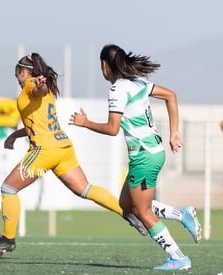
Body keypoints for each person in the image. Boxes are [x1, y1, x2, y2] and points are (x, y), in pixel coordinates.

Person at [0, 52, 147, 253]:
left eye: (17, 73)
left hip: (44, 151)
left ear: (23, 71)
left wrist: (39, 85)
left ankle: (8, 239)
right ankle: (127, 213)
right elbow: (38, 120)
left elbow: (37, 89)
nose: (17, 78)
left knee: (8, 189)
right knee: (85, 189)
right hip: (62, 149)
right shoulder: (47, 89)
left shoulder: (30, 84)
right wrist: (16, 135)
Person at [69, 44, 202, 270]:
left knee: (142, 211)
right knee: (126, 204)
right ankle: (182, 214)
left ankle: (178, 257)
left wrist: (86, 123)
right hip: (153, 152)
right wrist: (174, 132)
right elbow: (171, 96)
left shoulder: (118, 89)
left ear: (104, 66)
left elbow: (113, 129)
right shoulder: (137, 82)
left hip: (144, 156)